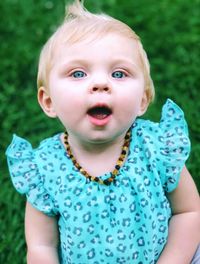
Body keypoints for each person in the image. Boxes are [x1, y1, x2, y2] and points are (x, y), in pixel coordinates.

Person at [6, 0, 200, 263]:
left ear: (142, 100)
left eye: (119, 74)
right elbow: (42, 246)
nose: (100, 83)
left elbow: (189, 212)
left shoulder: (157, 148)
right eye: (77, 73)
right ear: (49, 101)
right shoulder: (45, 169)